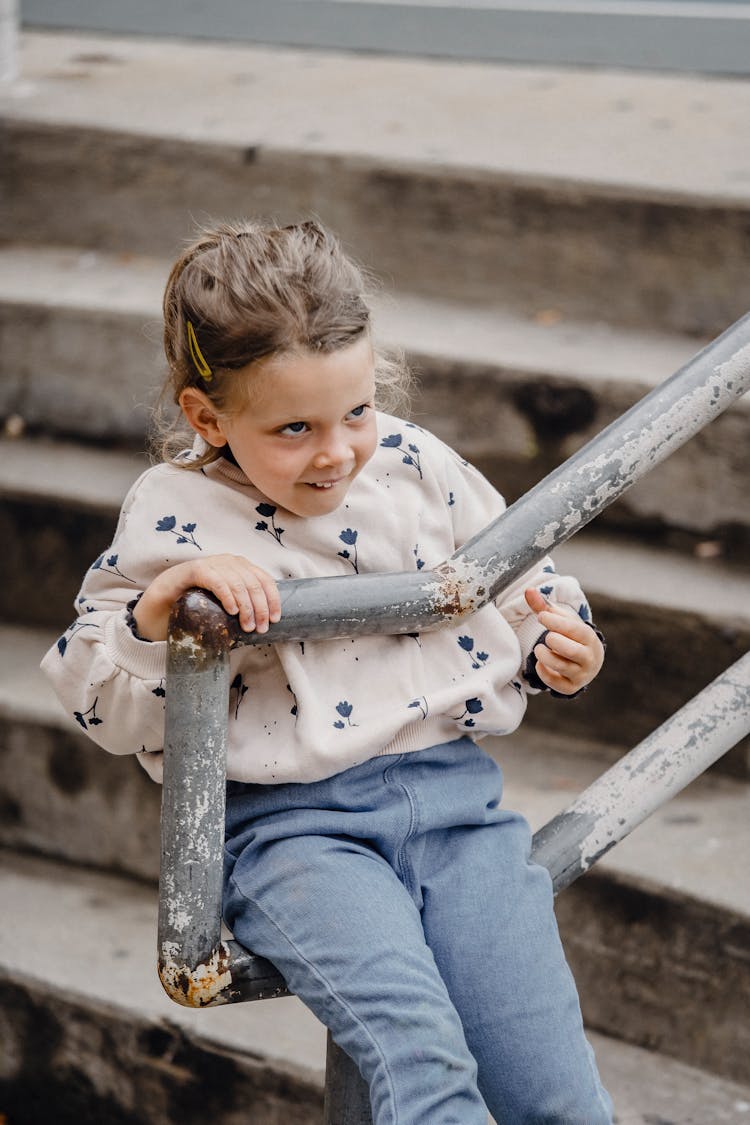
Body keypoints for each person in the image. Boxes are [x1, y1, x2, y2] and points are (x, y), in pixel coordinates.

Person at [42, 219, 612, 1124]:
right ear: (206, 415)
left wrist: (560, 648)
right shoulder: (175, 512)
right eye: (295, 427)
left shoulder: (418, 465)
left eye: (356, 410)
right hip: (298, 836)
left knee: (555, 1090)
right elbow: (95, 695)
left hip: (461, 811)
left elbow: (528, 581)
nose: (336, 450)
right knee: (423, 1067)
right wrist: (168, 612)